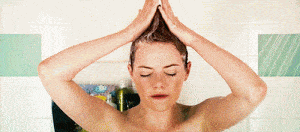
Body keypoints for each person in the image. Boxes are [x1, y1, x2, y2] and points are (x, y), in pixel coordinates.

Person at [38, 0, 267, 131]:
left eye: (171, 72)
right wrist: (127, 34)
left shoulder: (201, 121)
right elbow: (50, 72)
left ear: (187, 71)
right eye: (146, 73)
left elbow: (253, 92)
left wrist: (192, 39)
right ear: (131, 72)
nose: (159, 83)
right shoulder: (112, 126)